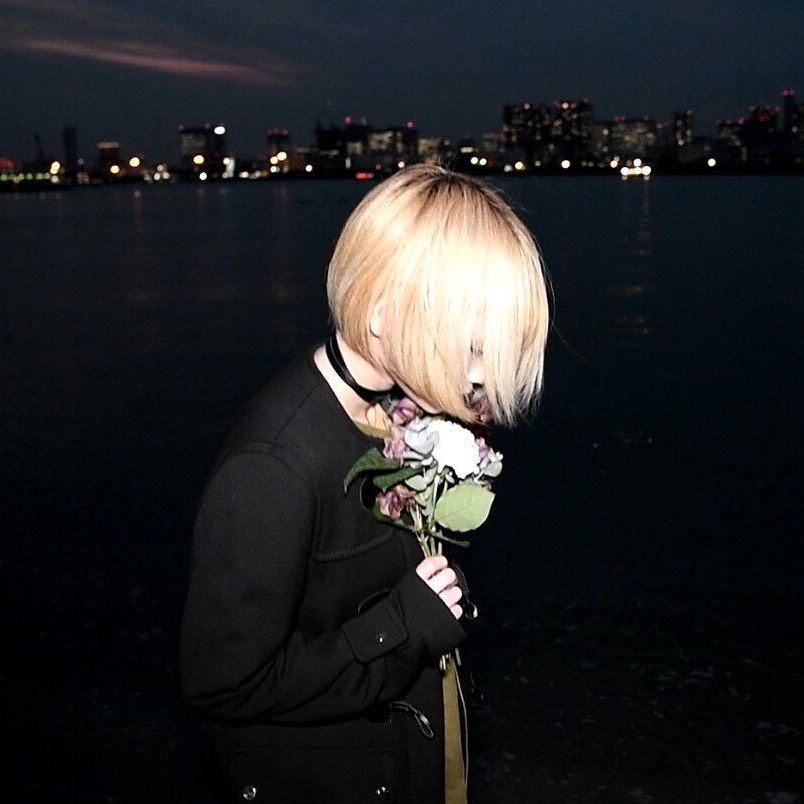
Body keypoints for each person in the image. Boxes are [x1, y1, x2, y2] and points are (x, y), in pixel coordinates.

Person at [179, 161, 552, 803]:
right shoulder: (272, 466)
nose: (480, 376)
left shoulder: (390, 412)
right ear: (383, 314)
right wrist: (405, 623)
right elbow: (224, 682)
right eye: (471, 347)